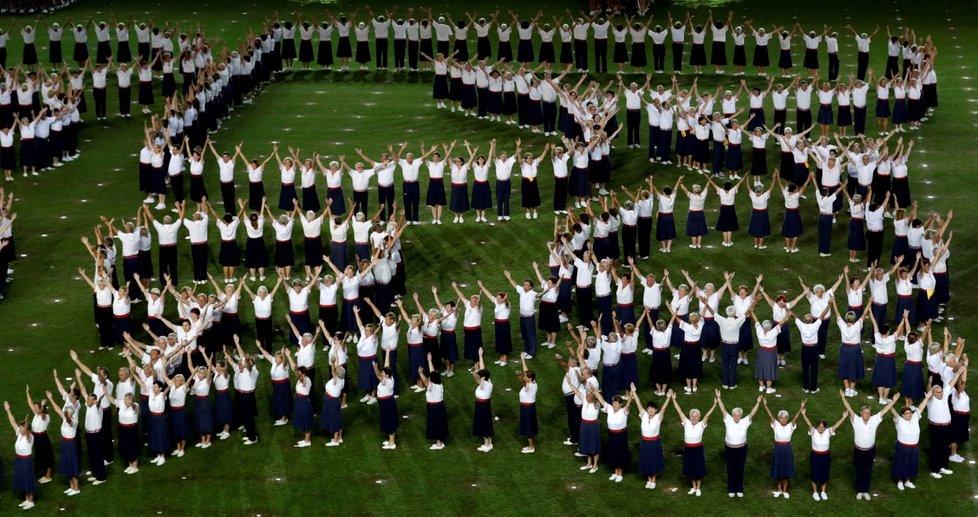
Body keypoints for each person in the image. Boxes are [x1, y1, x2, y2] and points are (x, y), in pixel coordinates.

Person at [839, 389, 901, 501]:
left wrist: (894, 401)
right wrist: (843, 398)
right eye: (865, 412)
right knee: (859, 470)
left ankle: (865, 490)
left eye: (868, 412)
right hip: (858, 450)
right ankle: (859, 490)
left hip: (870, 450)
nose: (867, 414)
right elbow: (849, 409)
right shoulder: (856, 420)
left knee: (868, 470)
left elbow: (884, 410)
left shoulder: (874, 419)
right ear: (861, 413)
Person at [715, 390, 763, 497]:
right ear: (732, 415)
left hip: (742, 449)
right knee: (730, 468)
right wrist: (718, 397)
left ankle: (739, 489)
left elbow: (752, 413)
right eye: (735, 415)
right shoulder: (728, 419)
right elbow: (722, 409)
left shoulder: (745, 421)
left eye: (739, 415)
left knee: (740, 468)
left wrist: (758, 403)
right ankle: (731, 489)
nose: (737, 417)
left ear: (741, 415)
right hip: (729, 448)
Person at [671, 393, 718, 496]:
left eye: (696, 416)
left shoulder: (701, 424)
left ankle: (698, 487)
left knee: (698, 467)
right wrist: (674, 400)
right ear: (690, 416)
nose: (694, 418)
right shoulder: (686, 422)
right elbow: (679, 411)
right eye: (692, 416)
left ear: (699, 417)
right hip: (688, 449)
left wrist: (714, 405)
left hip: (697, 449)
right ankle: (693, 487)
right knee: (690, 467)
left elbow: (707, 415)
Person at [800, 406, 848, 501]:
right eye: (819, 427)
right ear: (817, 426)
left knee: (824, 473)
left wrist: (844, 417)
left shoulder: (828, 432)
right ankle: (815, 492)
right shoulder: (813, 432)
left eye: (822, 427)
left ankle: (823, 492)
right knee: (814, 473)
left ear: (825, 427)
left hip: (825, 456)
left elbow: (837, 425)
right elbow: (808, 423)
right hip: (815, 456)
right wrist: (803, 414)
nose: (821, 428)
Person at [763, 398, 805, 498]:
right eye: (782, 417)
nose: (784, 419)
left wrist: (801, 408)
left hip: (787, 449)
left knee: (786, 470)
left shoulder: (791, 426)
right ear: (779, 418)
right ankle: (779, 489)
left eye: (785, 417)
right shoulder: (775, 425)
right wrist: (765, 405)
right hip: (778, 449)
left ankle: (785, 491)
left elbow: (795, 418)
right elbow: (770, 415)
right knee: (778, 470)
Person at [44, 388, 81, 496]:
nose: (65, 412)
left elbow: (69, 421)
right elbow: (57, 410)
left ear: (71, 413)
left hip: (70, 444)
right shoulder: (66, 417)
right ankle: (71, 486)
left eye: (67, 412)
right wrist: (51, 399)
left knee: (72, 465)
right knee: (68, 465)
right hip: (65, 443)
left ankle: (76, 488)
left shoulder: (74, 420)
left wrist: (67, 416)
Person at [567, 367, 601, 473]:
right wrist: (569, 383)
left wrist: (594, 391)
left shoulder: (596, 404)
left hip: (592, 426)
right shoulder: (585, 400)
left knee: (594, 445)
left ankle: (595, 465)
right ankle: (589, 463)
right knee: (587, 444)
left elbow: (596, 396)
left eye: (589, 396)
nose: (587, 396)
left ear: (593, 397)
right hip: (584, 424)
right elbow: (576, 391)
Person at [4, 400, 36, 509]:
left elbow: (27, 433)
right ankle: (26, 499)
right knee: (23, 478)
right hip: (19, 460)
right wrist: (8, 410)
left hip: (26, 461)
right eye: (21, 427)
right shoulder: (19, 434)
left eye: (22, 428)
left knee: (28, 479)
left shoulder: (30, 437)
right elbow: (13, 422)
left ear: (27, 429)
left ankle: (31, 501)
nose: (20, 428)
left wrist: (26, 424)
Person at [634, 388, 668, 489]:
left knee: (653, 460)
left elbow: (664, 409)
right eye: (649, 408)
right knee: (647, 459)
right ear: (647, 409)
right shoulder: (644, 415)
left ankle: (653, 480)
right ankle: (649, 479)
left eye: (653, 409)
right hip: (645, 442)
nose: (650, 410)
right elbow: (638, 403)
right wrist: (634, 392)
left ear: (656, 410)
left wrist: (668, 398)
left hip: (654, 442)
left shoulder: (658, 417)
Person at [418, 353, 448, 450]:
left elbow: (426, 382)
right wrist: (429, 361)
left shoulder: (431, 386)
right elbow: (432, 372)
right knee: (440, 423)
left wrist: (421, 373)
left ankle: (439, 444)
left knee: (436, 424)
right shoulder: (438, 384)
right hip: (439, 406)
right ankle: (441, 441)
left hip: (434, 408)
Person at [471, 347, 494, 452]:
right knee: (487, 422)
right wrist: (480, 356)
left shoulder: (484, 383)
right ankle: (489, 442)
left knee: (483, 423)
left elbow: (477, 378)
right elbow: (483, 370)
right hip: (484, 404)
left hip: (482, 406)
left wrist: (474, 372)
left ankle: (486, 444)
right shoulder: (488, 381)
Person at [516, 352, 538, 454]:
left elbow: (523, 381)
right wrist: (523, 359)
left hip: (527, 408)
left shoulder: (529, 386)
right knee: (530, 425)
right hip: (528, 407)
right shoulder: (533, 382)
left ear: (529, 379)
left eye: (526, 376)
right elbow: (526, 371)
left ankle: (531, 447)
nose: (525, 376)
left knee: (529, 426)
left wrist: (519, 376)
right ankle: (531, 444)